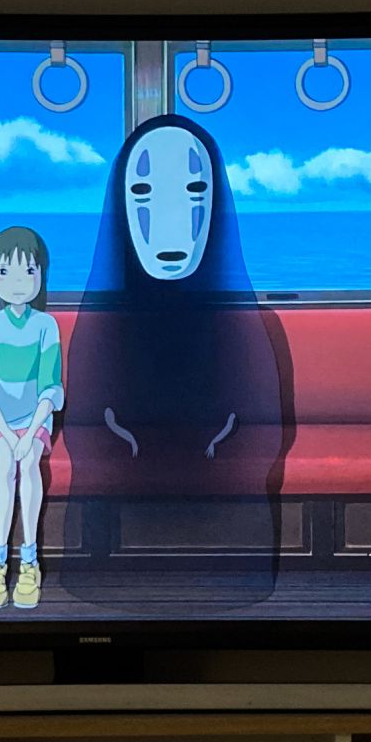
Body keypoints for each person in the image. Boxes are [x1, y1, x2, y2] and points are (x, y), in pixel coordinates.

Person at [60, 114, 292, 610]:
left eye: (194, 190)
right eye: (143, 192)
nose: (170, 221)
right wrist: (128, 449)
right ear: (121, 206)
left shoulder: (249, 326)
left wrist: (217, 450)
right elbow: (83, 428)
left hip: (230, 559)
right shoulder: (100, 325)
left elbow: (264, 434)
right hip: (112, 564)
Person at [0, 226, 63, 610]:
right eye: (6, 272)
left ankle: (29, 560)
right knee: (7, 462)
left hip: (36, 418)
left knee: (30, 462)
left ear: (41, 275)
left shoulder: (46, 326)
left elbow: (50, 388)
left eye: (29, 271)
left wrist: (30, 433)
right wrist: (10, 435)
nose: (19, 282)